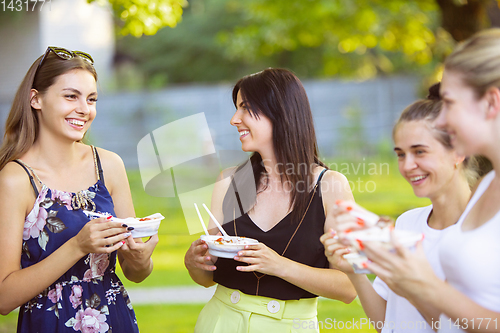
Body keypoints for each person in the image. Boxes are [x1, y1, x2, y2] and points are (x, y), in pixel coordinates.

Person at [330, 28, 500, 333]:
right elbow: (394, 321)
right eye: (399, 154)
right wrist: (357, 265)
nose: (444, 119)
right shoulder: (487, 189)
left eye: (450, 103)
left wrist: (419, 285)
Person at [184, 68, 356, 332]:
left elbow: (349, 288)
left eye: (245, 108)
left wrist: (279, 266)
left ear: (280, 113)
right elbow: (207, 278)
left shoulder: (330, 186)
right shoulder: (228, 181)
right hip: (220, 322)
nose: (234, 119)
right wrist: (194, 263)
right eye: (236, 108)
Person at [0, 47, 158, 332]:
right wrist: (77, 246)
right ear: (36, 99)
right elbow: (3, 298)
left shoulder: (109, 165)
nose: (84, 109)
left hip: (114, 319)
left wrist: (140, 258)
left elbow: (136, 273)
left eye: (91, 99)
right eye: (71, 96)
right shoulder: (15, 179)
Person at [320, 84, 480, 332]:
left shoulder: (484, 233)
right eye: (401, 154)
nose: (407, 165)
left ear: (458, 152)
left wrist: (410, 285)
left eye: (419, 152)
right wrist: (353, 271)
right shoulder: (407, 224)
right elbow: (387, 322)